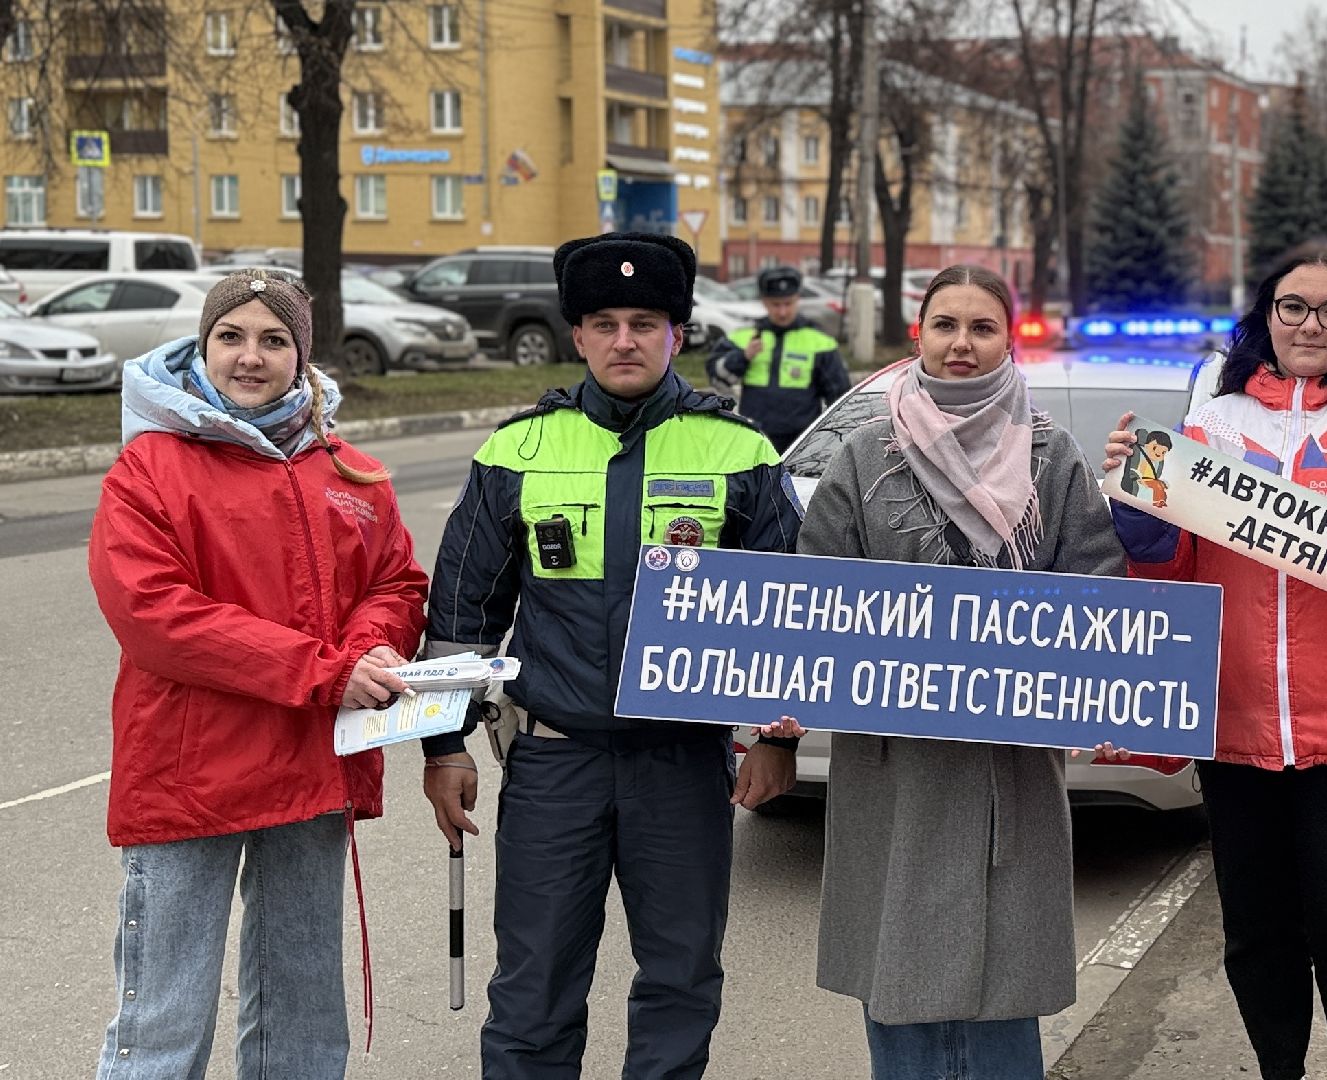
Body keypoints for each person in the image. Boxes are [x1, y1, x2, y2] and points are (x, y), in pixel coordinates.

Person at [420, 232, 803, 1079]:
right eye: (604, 322)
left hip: (682, 764)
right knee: (532, 990)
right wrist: (443, 745)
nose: (624, 339)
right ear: (578, 336)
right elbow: (461, 614)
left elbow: (785, 618)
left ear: (678, 333)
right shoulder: (515, 452)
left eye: (645, 321)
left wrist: (777, 739)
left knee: (680, 981)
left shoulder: (741, 453)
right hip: (556, 767)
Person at [1104, 246, 1327, 1080]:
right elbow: (1164, 565)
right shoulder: (1209, 427)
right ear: (1265, 316)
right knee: (1256, 929)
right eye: (1293, 307)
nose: (1311, 326)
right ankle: (1278, 1071)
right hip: (1233, 719)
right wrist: (1134, 488)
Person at [88, 268, 430, 1078]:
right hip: (187, 775)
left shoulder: (351, 472)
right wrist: (326, 672)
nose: (251, 357)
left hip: (310, 770)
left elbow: (396, 583)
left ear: (302, 358)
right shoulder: (149, 468)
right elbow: (156, 616)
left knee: (304, 1016)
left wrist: (376, 646)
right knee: (165, 1019)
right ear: (202, 349)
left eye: (274, 340)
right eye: (231, 337)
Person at [789, 264, 1125, 1079]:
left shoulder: (1051, 455)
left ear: (1008, 340)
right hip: (893, 769)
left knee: (1002, 981)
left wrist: (1104, 701)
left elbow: (1098, 592)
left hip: (1006, 766)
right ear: (920, 336)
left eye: (982, 328)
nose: (962, 344)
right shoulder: (865, 455)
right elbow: (810, 599)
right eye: (946, 326)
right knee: (898, 971)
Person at [706, 263, 850, 451]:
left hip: (802, 446)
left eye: (788, 303)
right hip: (754, 440)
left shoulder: (819, 341)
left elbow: (840, 399)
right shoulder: (745, 336)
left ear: (797, 299)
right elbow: (716, 376)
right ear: (764, 302)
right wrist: (743, 357)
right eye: (775, 304)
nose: (782, 311)